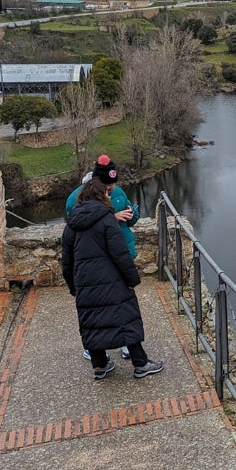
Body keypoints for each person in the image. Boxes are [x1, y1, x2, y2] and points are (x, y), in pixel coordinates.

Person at [61, 177, 164, 380]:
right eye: (107, 193)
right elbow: (120, 254)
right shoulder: (107, 220)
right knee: (126, 318)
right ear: (102, 195)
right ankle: (140, 363)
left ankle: (99, 366)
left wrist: (73, 287)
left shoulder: (71, 225)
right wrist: (132, 279)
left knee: (92, 322)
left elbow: (66, 261)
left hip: (85, 283)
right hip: (112, 280)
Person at [66, 154, 138, 361]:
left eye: (113, 184)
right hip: (97, 261)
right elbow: (77, 226)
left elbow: (130, 219)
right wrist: (111, 218)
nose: (112, 189)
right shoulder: (75, 199)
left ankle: (125, 344)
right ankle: (97, 350)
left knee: (121, 305)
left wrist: (132, 215)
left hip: (119, 254)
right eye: (107, 186)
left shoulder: (118, 192)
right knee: (100, 307)